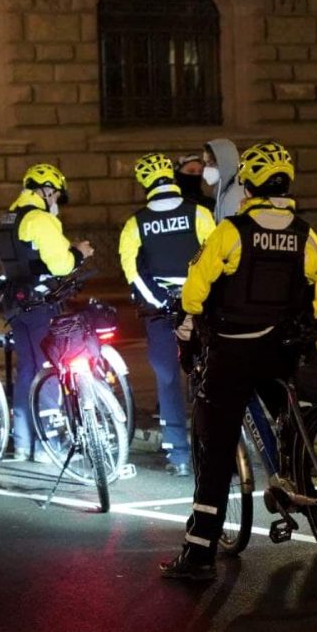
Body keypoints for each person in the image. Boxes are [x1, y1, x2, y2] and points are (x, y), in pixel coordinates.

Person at [160, 141, 317, 581]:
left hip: (233, 353)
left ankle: (198, 556)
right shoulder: (307, 234)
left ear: (249, 185)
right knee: (290, 416)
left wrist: (187, 320)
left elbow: (194, 294)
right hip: (283, 351)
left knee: (216, 455)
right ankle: (295, 477)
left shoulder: (232, 232)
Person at [119, 153, 216, 476]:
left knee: (168, 381)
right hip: (200, 309)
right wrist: (197, 298)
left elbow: (133, 274)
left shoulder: (136, 224)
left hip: (160, 314)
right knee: (210, 379)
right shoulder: (199, 213)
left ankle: (179, 456)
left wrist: (162, 302)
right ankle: (216, 452)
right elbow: (215, 262)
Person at [0, 163, 94, 461]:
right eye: (56, 196)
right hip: (39, 304)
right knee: (50, 369)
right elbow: (60, 265)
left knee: (26, 371)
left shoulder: (8, 217)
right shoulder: (39, 219)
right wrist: (79, 253)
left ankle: (23, 441)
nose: (56, 203)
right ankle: (50, 445)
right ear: (47, 190)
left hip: (15, 303)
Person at [202, 139, 243, 222]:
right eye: (205, 163)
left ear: (224, 163)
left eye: (210, 163)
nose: (206, 168)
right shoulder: (224, 189)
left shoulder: (236, 196)